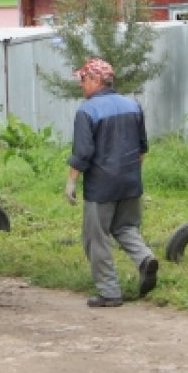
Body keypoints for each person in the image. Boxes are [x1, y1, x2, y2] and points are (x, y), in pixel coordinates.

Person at [64, 57, 158, 307]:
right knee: (125, 228)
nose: (81, 85)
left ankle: (109, 292)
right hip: (130, 182)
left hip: (101, 186)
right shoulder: (133, 105)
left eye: (83, 80)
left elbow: (83, 152)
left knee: (96, 237)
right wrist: (129, 175)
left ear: (95, 80)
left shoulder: (87, 110)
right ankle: (145, 258)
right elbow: (141, 149)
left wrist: (71, 182)